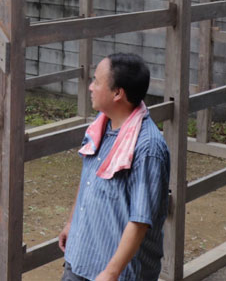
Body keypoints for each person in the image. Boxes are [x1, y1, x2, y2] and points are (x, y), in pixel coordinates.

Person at [58, 53, 170, 281]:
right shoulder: (100, 127)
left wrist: (111, 273)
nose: (90, 87)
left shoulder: (147, 148)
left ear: (118, 93)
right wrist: (72, 223)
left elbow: (140, 220)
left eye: (97, 82)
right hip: (80, 258)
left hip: (117, 273)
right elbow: (89, 181)